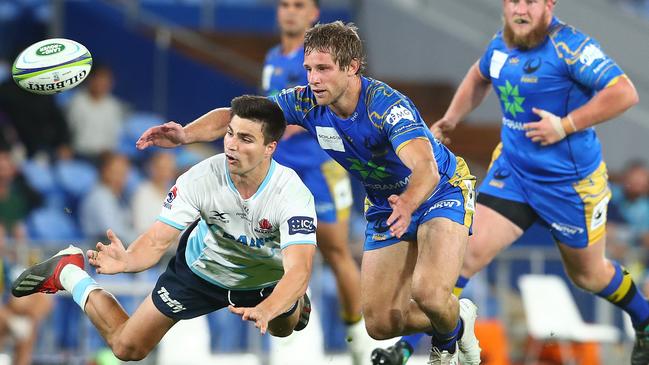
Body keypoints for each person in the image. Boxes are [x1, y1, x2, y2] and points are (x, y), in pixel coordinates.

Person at [136, 21, 481, 364]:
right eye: (309, 69)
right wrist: (185, 135)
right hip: (384, 204)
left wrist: (407, 202)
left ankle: (446, 341)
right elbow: (239, 115)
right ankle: (460, 318)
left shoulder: (387, 108)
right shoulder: (306, 103)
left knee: (430, 295)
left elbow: (426, 169)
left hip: (439, 191)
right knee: (379, 323)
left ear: (352, 67)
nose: (313, 78)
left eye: (323, 69)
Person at [372, 0, 646, 364]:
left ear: (549, 5)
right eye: (513, 0)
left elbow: (625, 92)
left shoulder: (572, 47)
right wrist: (453, 118)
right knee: (463, 259)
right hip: (514, 174)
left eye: (530, 1)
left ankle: (644, 318)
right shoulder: (501, 45)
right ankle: (415, 348)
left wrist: (565, 125)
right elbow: (478, 75)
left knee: (589, 275)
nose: (520, 9)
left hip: (570, 185)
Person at [11, 96, 317, 361]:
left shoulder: (291, 195)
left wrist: (268, 308)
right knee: (126, 347)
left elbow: (299, 270)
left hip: (263, 279)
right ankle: (67, 271)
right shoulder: (200, 178)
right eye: (230, 134)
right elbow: (157, 241)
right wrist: (128, 259)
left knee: (281, 325)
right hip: (201, 273)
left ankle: (290, 305)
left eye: (246, 140)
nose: (232, 146)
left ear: (270, 148)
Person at [262, 1, 370, 362]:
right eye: (284, 4)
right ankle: (288, 336)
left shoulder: (319, 60)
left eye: (299, 5)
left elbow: (321, 109)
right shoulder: (272, 57)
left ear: (313, 13)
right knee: (277, 254)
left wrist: (274, 124)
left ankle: (359, 340)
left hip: (322, 168)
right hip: (280, 172)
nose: (290, 11)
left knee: (336, 252)